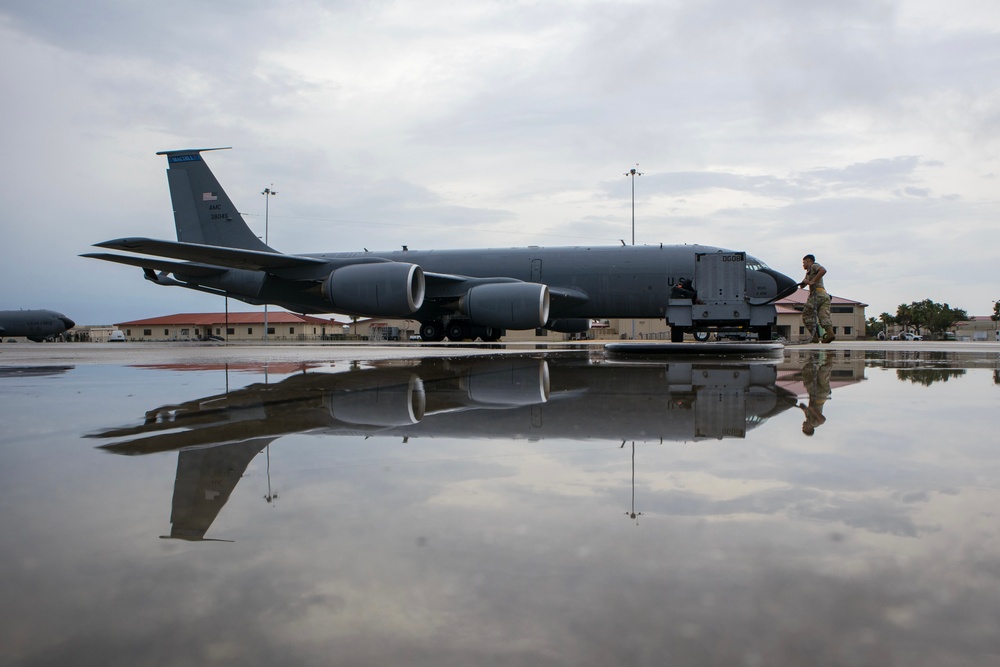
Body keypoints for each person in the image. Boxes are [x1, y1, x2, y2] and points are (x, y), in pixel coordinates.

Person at [799, 254, 835, 343]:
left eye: (804, 262)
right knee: (823, 315)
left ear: (809, 261)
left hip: (816, 295)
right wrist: (804, 282)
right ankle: (830, 334)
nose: (803, 265)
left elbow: (823, 270)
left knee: (807, 315)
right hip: (824, 295)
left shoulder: (814, 266)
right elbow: (802, 286)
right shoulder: (808, 272)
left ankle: (814, 337)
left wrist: (813, 281)